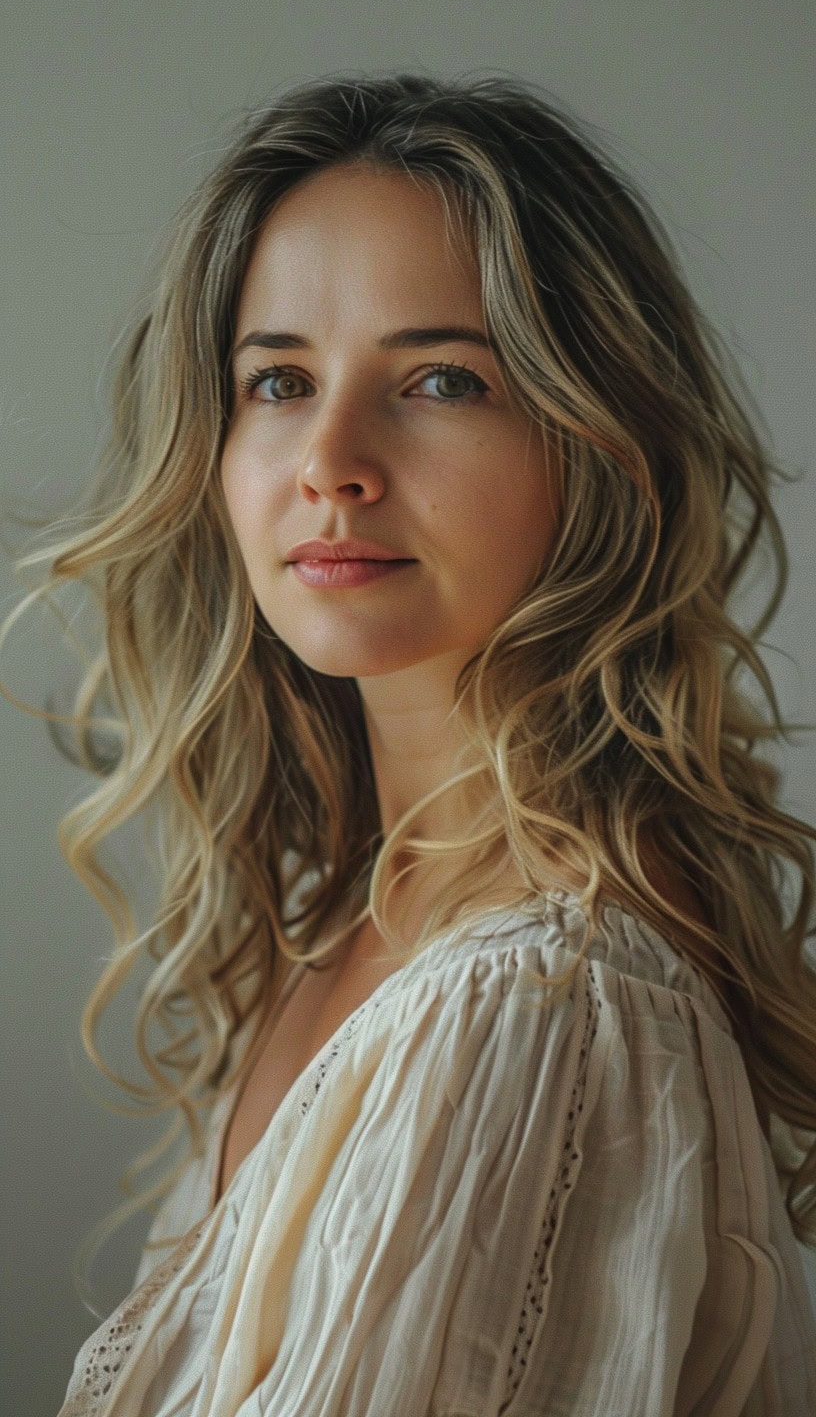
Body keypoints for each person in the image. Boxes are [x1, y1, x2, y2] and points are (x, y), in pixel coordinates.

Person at [3, 69, 815, 1414]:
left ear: (601, 443)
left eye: (441, 378)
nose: (331, 459)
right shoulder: (341, 926)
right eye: (278, 380)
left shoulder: (542, 1002)